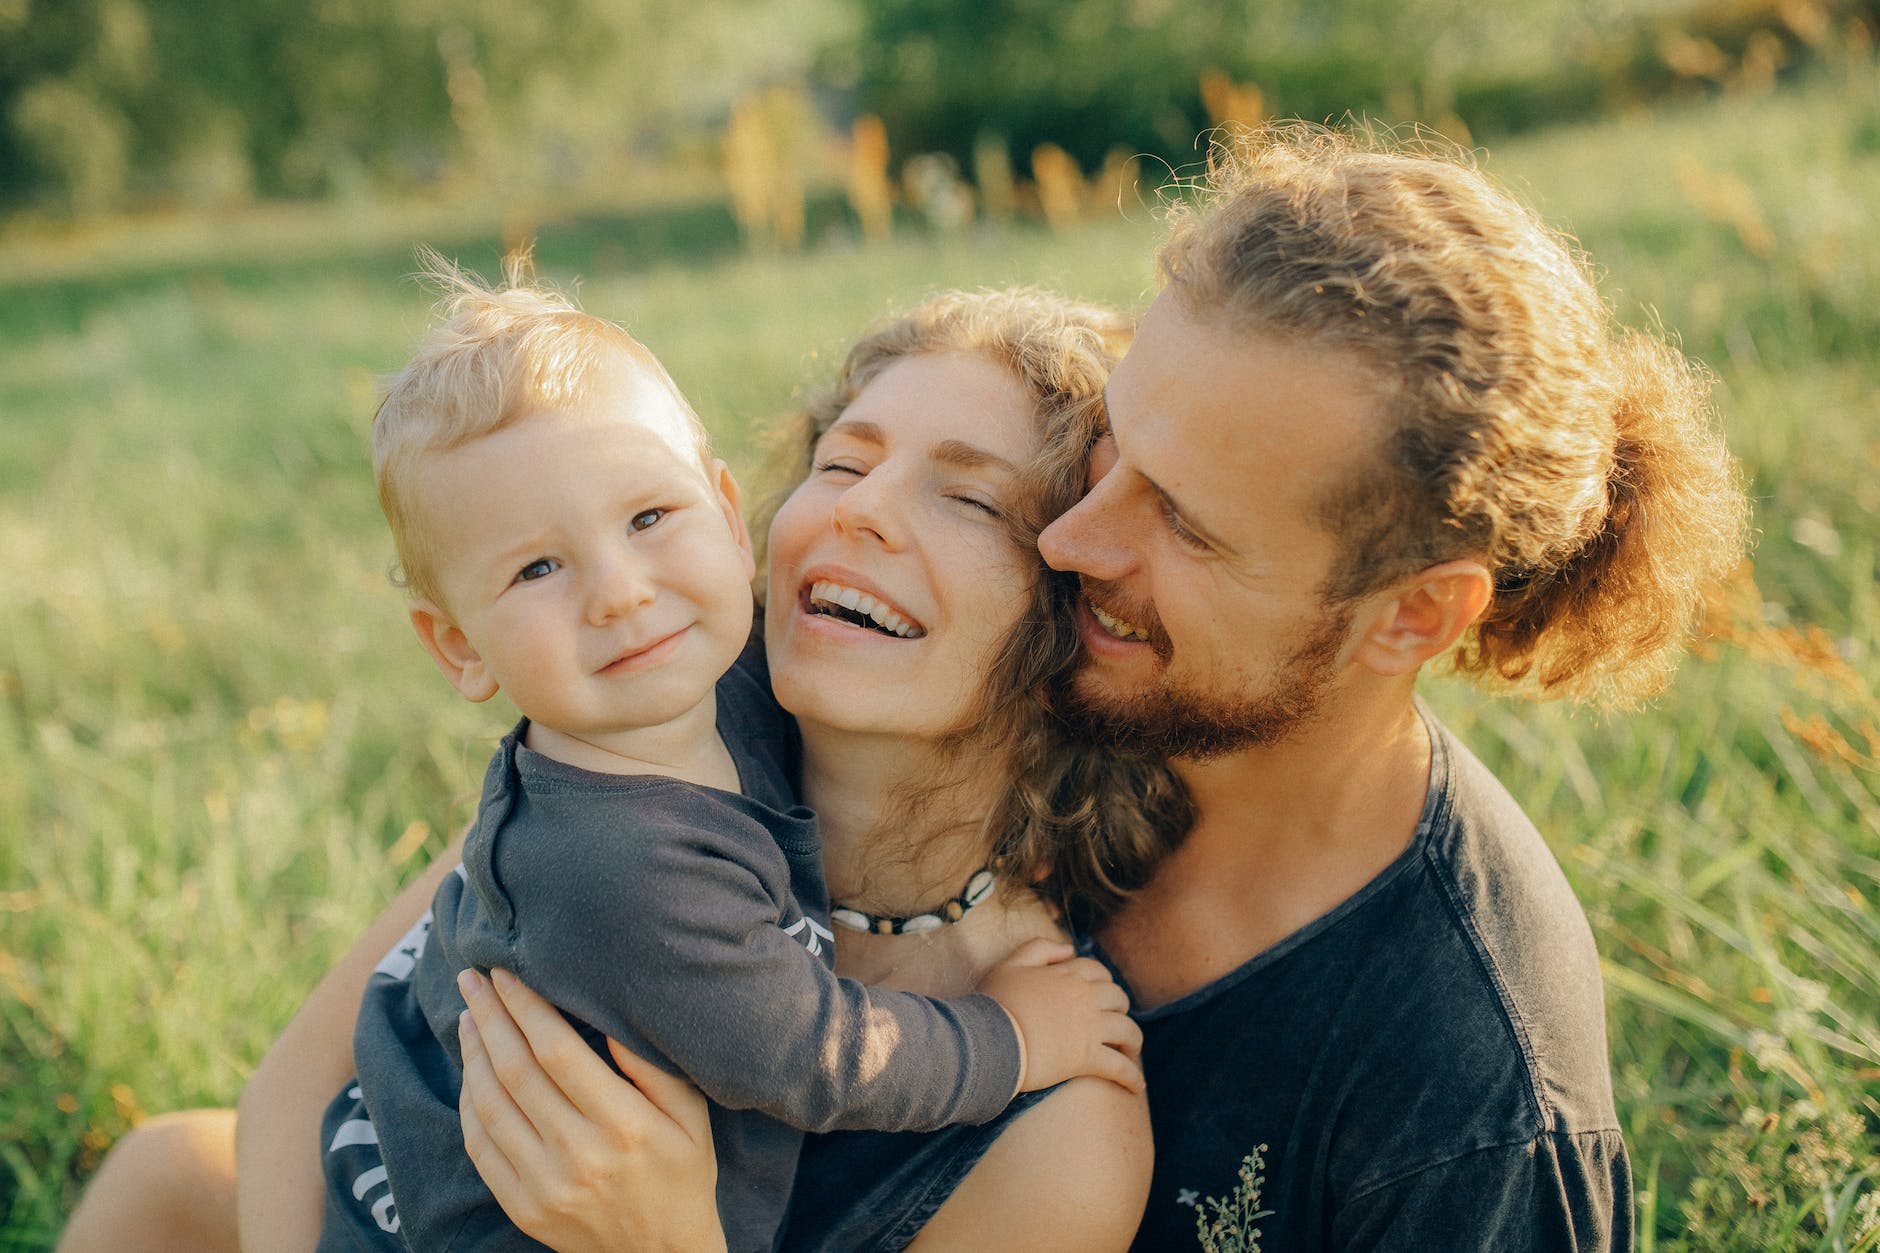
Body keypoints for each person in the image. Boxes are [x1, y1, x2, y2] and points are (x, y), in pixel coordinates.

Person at [417, 126, 1749, 1250]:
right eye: (1111, 456)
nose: (1074, 542)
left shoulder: (1469, 1103)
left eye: (1187, 520)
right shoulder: (963, 687)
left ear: (1408, 615)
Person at [57, 286, 1182, 1252]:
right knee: (163, 1171)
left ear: (1073, 613)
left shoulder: (1060, 1123)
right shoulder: (631, 774)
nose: (861, 507)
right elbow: (302, 1084)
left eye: (971, 495)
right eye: (843, 459)